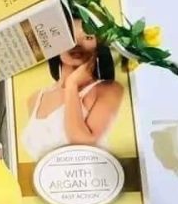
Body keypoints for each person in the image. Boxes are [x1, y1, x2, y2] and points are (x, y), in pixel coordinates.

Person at [21, 18, 124, 160]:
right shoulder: (35, 98)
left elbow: (82, 143)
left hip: (92, 172)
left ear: (98, 45)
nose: (77, 44)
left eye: (88, 37)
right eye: (69, 35)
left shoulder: (108, 89)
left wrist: (71, 85)